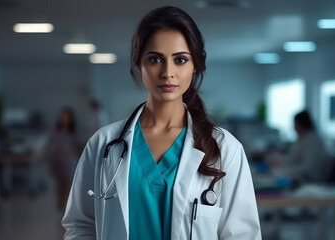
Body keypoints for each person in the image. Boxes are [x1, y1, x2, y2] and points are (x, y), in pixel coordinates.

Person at [62, 6, 261, 240]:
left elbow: (242, 236)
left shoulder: (225, 149)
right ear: (139, 64)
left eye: (180, 60)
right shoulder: (103, 143)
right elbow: (80, 225)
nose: (168, 72)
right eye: (155, 59)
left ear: (194, 65)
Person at [265, 110, 332, 184]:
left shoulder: (312, 141)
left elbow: (308, 169)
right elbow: (291, 159)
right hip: (299, 175)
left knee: (274, 176)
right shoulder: (302, 139)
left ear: (300, 124)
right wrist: (274, 157)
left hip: (308, 181)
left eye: (295, 124)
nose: (294, 127)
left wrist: (282, 171)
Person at [44, 107, 81, 212]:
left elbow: (79, 144)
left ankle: (68, 204)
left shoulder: (74, 132)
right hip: (58, 160)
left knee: (68, 182)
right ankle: (60, 202)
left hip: (70, 160)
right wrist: (45, 152)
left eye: (66, 118)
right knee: (60, 182)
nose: (64, 120)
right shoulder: (56, 131)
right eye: (63, 117)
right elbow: (49, 143)